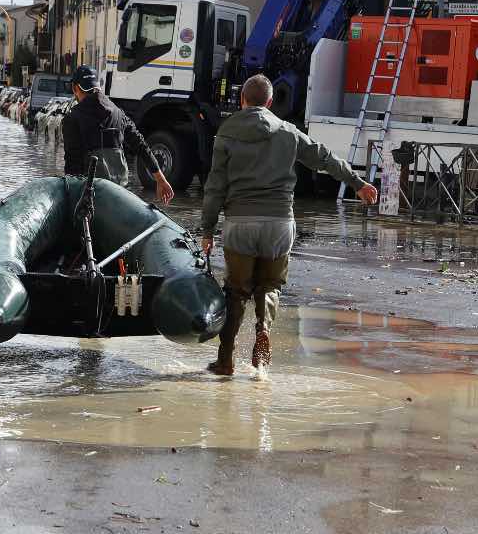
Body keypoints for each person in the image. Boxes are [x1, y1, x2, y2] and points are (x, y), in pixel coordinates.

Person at [201, 74, 378, 376]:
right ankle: (264, 331)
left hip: (240, 223)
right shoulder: (288, 132)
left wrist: (207, 228)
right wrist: (357, 182)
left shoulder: (227, 132)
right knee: (269, 286)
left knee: (236, 291)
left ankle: (226, 360)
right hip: (280, 223)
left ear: (242, 100)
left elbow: (215, 185)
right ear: (270, 103)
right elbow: (324, 158)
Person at [61, 65, 175, 205]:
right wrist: (161, 179)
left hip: (90, 195)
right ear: (98, 86)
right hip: (120, 194)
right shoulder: (119, 114)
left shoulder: (72, 118)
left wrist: (69, 201)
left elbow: (72, 163)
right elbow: (141, 145)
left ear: (75, 88)